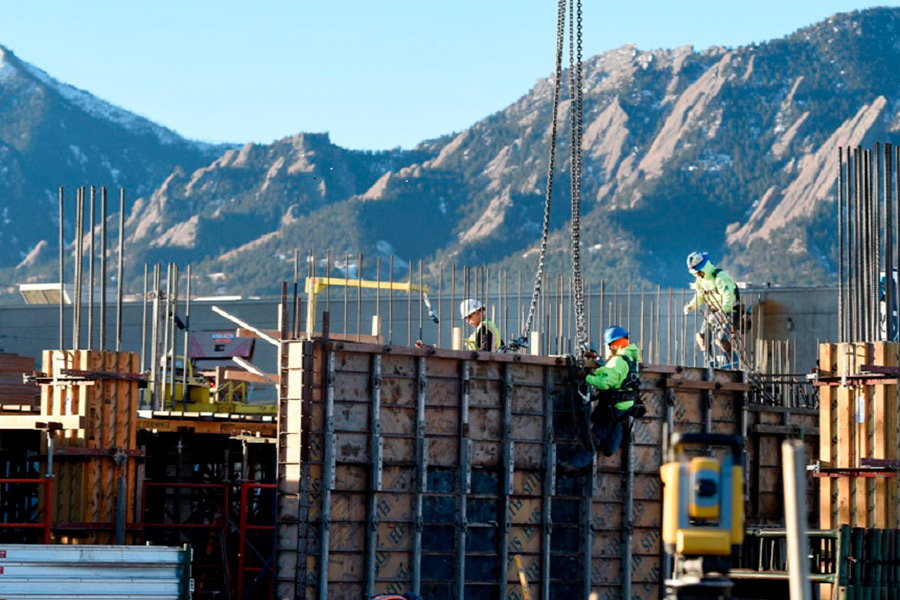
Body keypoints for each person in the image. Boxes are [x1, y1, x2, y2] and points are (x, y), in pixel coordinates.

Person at [566, 326, 643, 469]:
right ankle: (609, 448)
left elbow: (604, 382)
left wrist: (585, 376)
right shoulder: (631, 358)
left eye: (610, 344)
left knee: (595, 436)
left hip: (612, 406)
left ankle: (574, 464)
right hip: (625, 406)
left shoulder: (618, 361)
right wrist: (597, 362)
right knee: (614, 427)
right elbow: (612, 371)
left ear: (617, 342)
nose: (609, 347)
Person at [683, 251, 741, 363]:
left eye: (697, 272)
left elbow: (729, 296)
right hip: (714, 312)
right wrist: (690, 306)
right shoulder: (700, 281)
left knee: (722, 339)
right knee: (702, 338)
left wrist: (723, 311)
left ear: (703, 268)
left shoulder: (720, 277)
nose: (696, 274)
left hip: (728, 311)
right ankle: (710, 362)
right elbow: (699, 297)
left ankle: (733, 363)